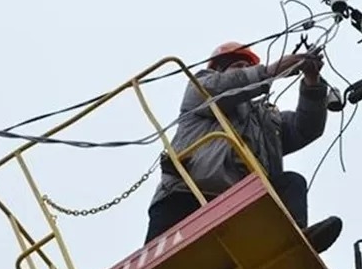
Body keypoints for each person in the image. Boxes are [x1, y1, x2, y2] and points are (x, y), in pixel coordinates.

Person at [145, 41, 342, 254]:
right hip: (186, 196)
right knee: (155, 266)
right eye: (237, 66)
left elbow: (306, 129)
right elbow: (223, 88)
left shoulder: (266, 119)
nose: (244, 71)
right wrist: (269, 71)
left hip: (241, 203)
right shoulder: (201, 89)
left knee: (291, 182)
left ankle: (293, 237)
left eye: (247, 67)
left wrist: (312, 83)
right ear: (218, 71)